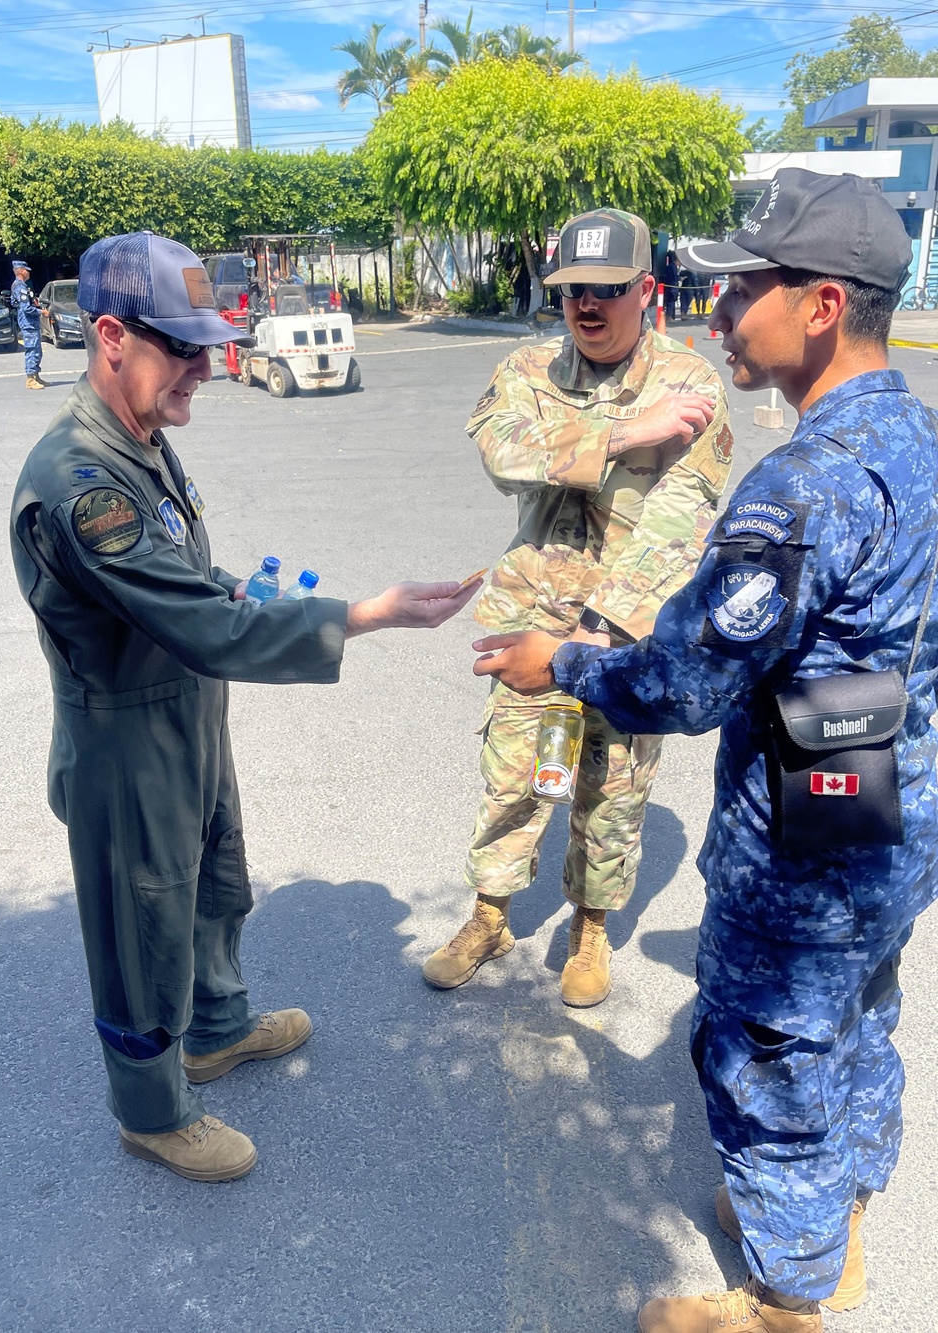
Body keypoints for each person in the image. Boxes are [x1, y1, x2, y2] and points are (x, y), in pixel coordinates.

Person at [469, 169, 937, 1332]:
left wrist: (558, 665)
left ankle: (785, 1297)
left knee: (763, 1049)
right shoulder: (918, 436)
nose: (718, 312)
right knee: (854, 1010)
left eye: (744, 290)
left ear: (822, 304)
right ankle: (835, 1217)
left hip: (805, 825)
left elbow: (677, 682)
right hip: (889, 798)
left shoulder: (803, 485)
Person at [9, 231, 478, 1184]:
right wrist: (364, 615)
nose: (206, 369)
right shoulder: (80, 482)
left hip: (186, 709)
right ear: (110, 336)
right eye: (181, 348)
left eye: (208, 344)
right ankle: (151, 1109)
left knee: (214, 876)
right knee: (143, 924)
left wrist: (261, 597)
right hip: (125, 738)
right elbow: (198, 620)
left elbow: (195, 582)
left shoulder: (139, 443)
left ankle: (217, 1029)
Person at [422, 207, 733, 1006]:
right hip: (531, 615)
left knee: (613, 788)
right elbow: (503, 454)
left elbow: (683, 516)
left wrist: (598, 636)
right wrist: (627, 433)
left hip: (626, 632)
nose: (586, 305)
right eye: (571, 291)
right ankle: (490, 913)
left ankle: (590, 927)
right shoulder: (529, 371)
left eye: (606, 288)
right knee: (512, 777)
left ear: (647, 290)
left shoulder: (691, 385)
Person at [10, 259, 47, 390]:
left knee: (37, 349)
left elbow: (15, 304)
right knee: (32, 349)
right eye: (27, 270)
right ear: (21, 271)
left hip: (30, 322)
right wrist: (41, 311)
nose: (29, 272)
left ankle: (36, 376)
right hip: (28, 322)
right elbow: (26, 308)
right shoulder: (20, 287)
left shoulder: (22, 286)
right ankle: (31, 379)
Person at [661, 251, 679, 323]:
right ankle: (669, 316)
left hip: (668, 286)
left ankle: (669, 316)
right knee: (671, 302)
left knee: (669, 302)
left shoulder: (669, 267)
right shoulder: (673, 267)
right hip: (672, 287)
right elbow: (674, 277)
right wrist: (679, 278)